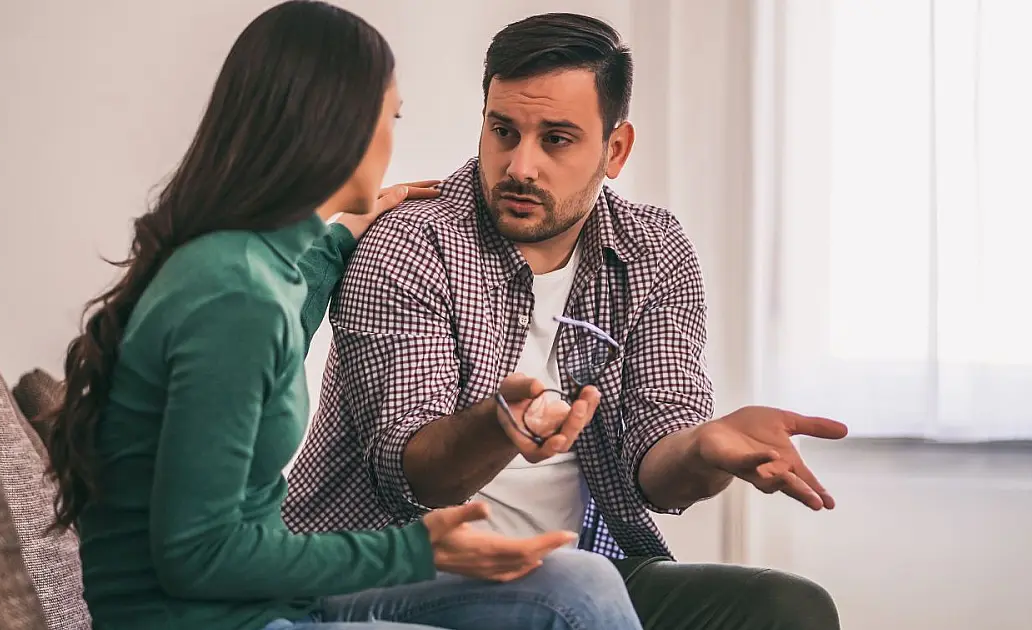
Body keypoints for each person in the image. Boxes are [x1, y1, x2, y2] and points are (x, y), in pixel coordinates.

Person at [43, 3, 646, 630]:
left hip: (263, 604)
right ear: (338, 126)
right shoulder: (234, 294)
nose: (393, 140)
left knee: (582, 582)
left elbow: (284, 318)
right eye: (392, 118)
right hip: (215, 621)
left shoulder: (250, 269)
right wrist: (416, 549)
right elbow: (197, 556)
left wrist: (336, 236)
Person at [281, 12, 849, 630]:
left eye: (556, 139)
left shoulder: (653, 249)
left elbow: (658, 469)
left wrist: (704, 449)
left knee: (788, 608)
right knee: (576, 589)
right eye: (503, 131)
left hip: (572, 567)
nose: (520, 166)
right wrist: (500, 425)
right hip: (390, 567)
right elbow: (414, 473)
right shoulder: (411, 241)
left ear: (615, 149)